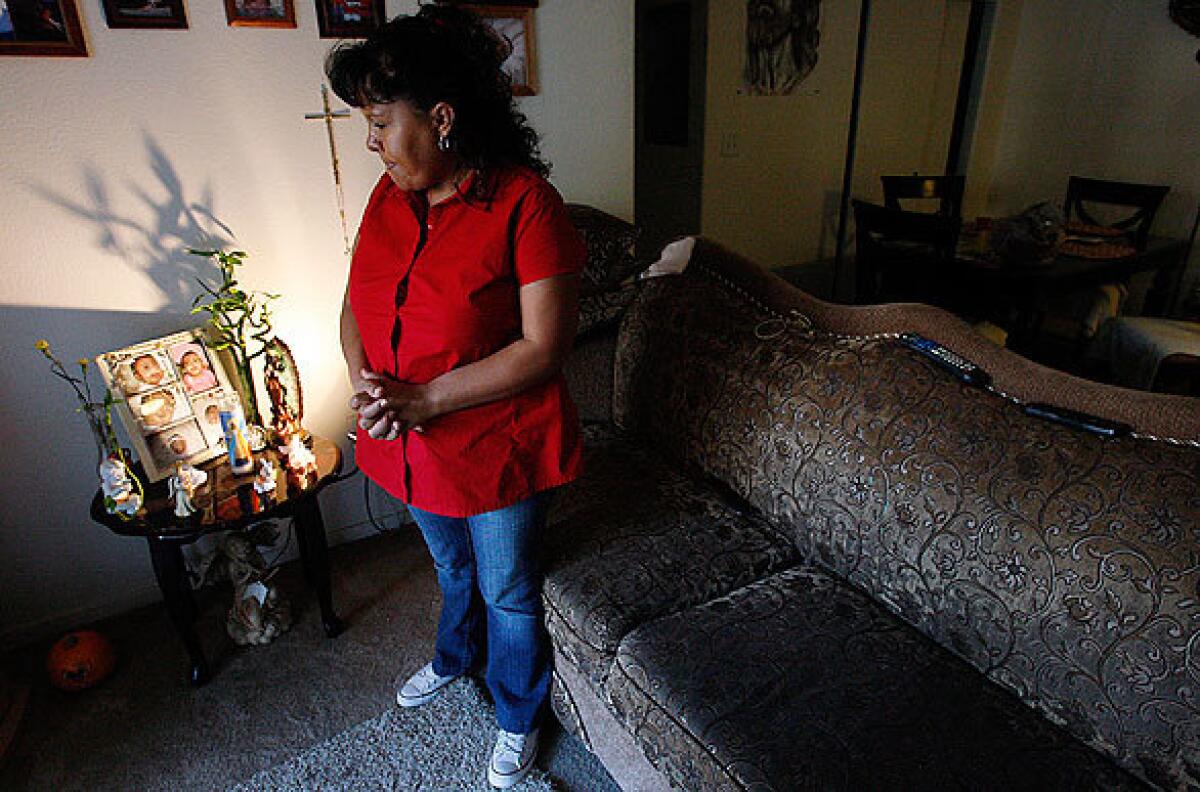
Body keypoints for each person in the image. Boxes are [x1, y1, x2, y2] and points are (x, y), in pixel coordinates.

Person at [326, 6, 585, 788]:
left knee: (508, 590)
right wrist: (361, 377)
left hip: (495, 444)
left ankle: (515, 714)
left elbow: (543, 348)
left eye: (379, 122)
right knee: (451, 571)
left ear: (440, 118)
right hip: (408, 440)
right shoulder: (386, 199)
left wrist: (425, 398)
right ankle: (452, 658)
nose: (370, 142)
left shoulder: (527, 206)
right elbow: (353, 302)